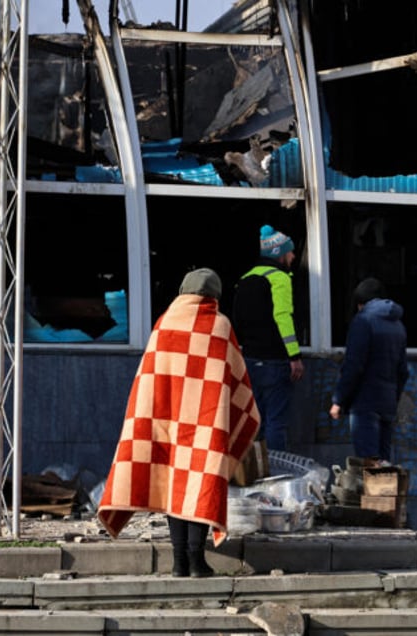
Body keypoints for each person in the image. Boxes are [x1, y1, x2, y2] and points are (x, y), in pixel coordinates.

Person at [97, 268, 260, 578]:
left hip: (165, 422)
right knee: (200, 484)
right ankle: (197, 561)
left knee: (172, 488)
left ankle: (178, 563)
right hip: (205, 424)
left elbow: (149, 379)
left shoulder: (164, 323)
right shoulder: (220, 325)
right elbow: (236, 381)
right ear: (214, 295)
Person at [231, 225, 304, 452]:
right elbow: (283, 317)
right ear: (279, 253)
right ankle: (277, 474)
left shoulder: (245, 278)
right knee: (276, 422)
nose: (293, 256)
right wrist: (294, 356)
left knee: (255, 421)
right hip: (275, 361)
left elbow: (237, 320)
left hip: (251, 360)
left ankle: (255, 470)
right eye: (290, 252)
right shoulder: (280, 278)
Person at [329, 277, 409, 466]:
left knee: (370, 462)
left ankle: (376, 495)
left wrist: (339, 400)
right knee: (384, 463)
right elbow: (403, 371)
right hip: (387, 403)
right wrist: (393, 398)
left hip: (366, 402)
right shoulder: (398, 325)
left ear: (360, 303)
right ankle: (387, 495)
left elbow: (354, 365)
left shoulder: (363, 321)